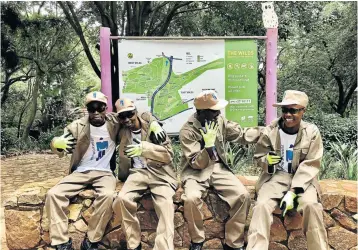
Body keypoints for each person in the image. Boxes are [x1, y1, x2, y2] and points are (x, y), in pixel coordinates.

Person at [179, 90, 263, 250]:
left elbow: (241, 134)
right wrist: (208, 147)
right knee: (191, 199)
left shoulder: (219, 121)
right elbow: (196, 162)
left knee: (242, 196)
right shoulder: (187, 131)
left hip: (217, 168)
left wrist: (266, 131)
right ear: (201, 112)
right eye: (214, 110)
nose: (218, 112)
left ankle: (233, 243)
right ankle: (197, 240)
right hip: (195, 171)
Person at [246, 90, 329, 250]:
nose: (287, 114)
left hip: (302, 179)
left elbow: (311, 164)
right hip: (275, 177)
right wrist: (267, 161)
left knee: (312, 206)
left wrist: (293, 192)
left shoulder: (311, 132)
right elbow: (259, 157)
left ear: (303, 111)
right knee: (261, 205)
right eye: (285, 110)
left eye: (293, 110)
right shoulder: (270, 131)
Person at [45, 91, 119, 250]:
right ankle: (62, 242)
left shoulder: (115, 122)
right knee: (53, 194)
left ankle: (92, 240)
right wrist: (56, 144)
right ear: (87, 109)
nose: (97, 112)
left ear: (106, 108)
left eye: (100, 107)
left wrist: (153, 123)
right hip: (80, 171)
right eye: (92, 108)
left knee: (107, 196)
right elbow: (58, 147)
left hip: (104, 172)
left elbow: (140, 118)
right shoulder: (76, 126)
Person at [112, 98, 178, 250]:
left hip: (159, 173)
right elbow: (99, 117)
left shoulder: (153, 128)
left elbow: (168, 155)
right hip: (137, 173)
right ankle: (134, 245)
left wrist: (144, 149)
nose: (127, 119)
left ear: (136, 112)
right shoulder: (122, 130)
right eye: (122, 116)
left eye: (130, 114)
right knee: (121, 199)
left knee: (166, 205)